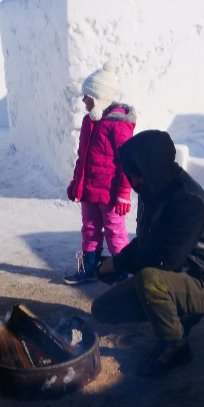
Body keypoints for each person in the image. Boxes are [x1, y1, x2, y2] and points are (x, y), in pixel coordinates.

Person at [91, 130, 204, 376]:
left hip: (202, 285)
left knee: (149, 279)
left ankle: (176, 346)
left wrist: (119, 265)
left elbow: (165, 259)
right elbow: (147, 243)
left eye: (136, 174)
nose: (133, 182)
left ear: (151, 168)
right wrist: (116, 262)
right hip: (171, 277)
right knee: (103, 309)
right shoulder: (153, 191)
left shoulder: (188, 201)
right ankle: (170, 315)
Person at [64, 63, 137, 284]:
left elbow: (128, 162)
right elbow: (83, 157)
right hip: (89, 191)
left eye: (88, 96)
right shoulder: (89, 121)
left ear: (100, 98)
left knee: (115, 231)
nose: (84, 100)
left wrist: (124, 192)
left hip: (110, 193)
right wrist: (77, 183)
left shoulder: (118, 126)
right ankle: (90, 265)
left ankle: (121, 271)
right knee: (90, 228)